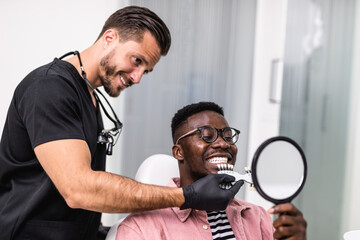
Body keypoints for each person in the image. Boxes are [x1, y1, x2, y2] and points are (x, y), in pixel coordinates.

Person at [0, 7, 242, 240]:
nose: (137, 78)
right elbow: (78, 189)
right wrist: (187, 196)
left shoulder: (89, 97)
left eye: (145, 71)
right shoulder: (49, 88)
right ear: (110, 37)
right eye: (137, 60)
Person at [116, 102, 307, 240]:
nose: (224, 144)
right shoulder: (140, 229)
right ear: (179, 152)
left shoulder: (257, 218)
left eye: (229, 137)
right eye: (207, 136)